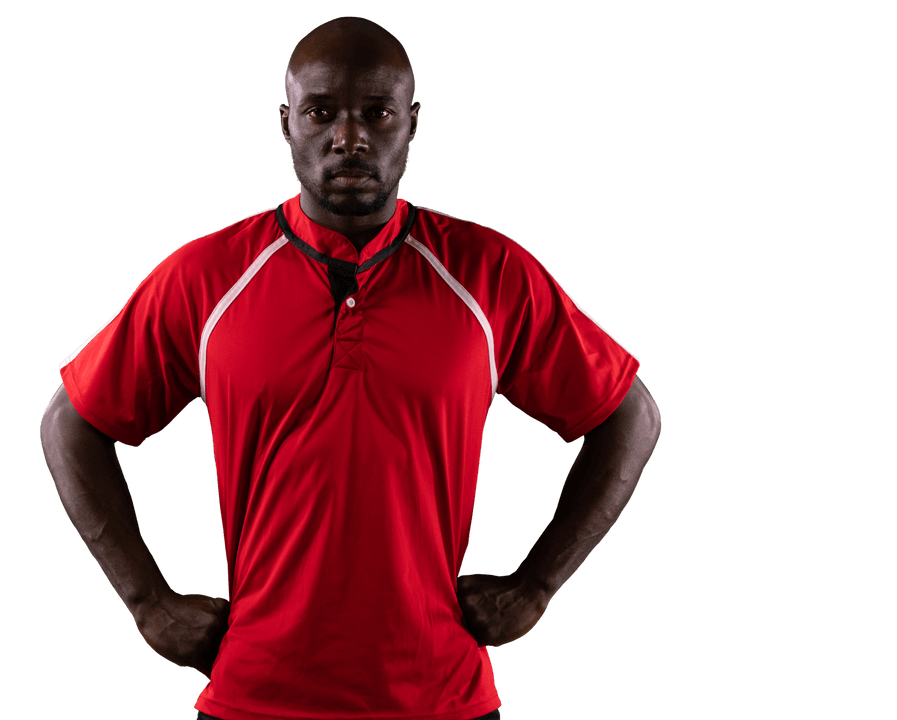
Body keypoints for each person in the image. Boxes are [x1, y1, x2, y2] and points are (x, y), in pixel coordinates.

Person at [40, 16, 661, 720]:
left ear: (412, 123)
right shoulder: (205, 278)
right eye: (320, 112)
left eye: (377, 112)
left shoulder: (490, 274)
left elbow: (630, 416)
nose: (349, 137)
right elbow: (70, 422)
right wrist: (146, 602)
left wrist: (537, 586)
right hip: (254, 695)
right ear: (285, 124)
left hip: (442, 696)